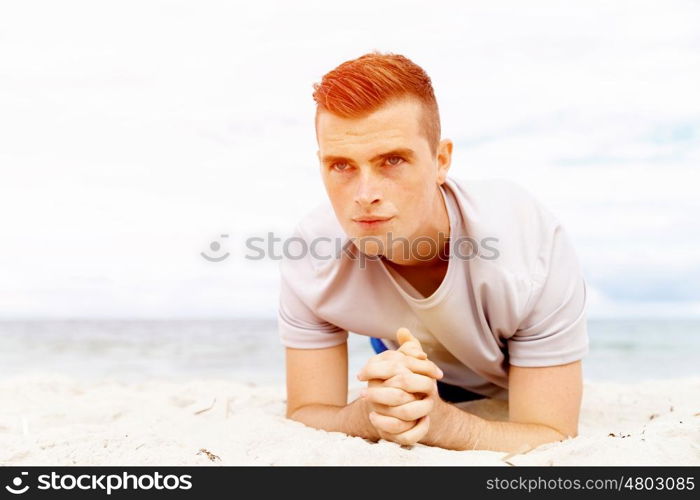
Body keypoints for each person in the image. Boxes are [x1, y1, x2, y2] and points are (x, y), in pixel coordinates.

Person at [278, 51, 589, 452]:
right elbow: (306, 411)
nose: (365, 195)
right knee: (398, 364)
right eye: (341, 166)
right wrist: (366, 416)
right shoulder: (310, 255)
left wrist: (445, 425)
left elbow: (551, 432)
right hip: (393, 337)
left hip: (499, 357)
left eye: (392, 160)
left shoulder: (528, 245)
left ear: (441, 161)